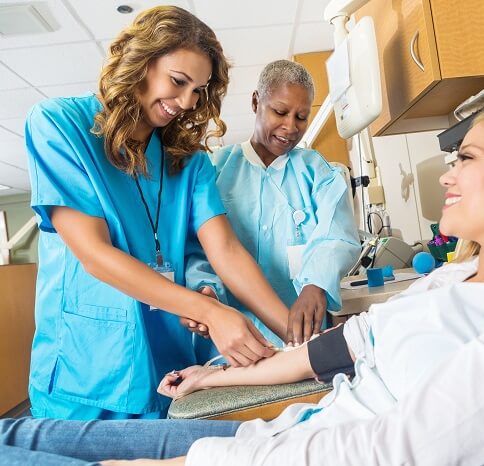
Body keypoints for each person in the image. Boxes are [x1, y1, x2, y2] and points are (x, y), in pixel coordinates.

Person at [3, 101, 484, 464]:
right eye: (279, 111)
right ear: (256, 104)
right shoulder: (455, 277)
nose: (447, 173)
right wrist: (224, 366)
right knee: (20, 435)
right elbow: (344, 342)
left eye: (466, 157)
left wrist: (309, 289)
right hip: (282, 417)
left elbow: (400, 450)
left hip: (288, 444)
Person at [23, 5, 292, 421]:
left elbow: (226, 251)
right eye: (178, 81)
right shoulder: (59, 126)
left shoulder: (188, 161)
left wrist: (297, 335)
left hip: (166, 360)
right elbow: (94, 254)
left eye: (198, 90)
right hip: (86, 366)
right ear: (140, 63)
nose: (186, 102)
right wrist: (207, 311)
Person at [186, 59, 360, 359]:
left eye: (301, 117)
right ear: (256, 101)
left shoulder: (318, 173)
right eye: (280, 112)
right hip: (233, 345)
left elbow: (337, 235)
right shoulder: (215, 171)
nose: (290, 127)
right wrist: (205, 291)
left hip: (304, 338)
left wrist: (316, 283)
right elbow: (196, 249)